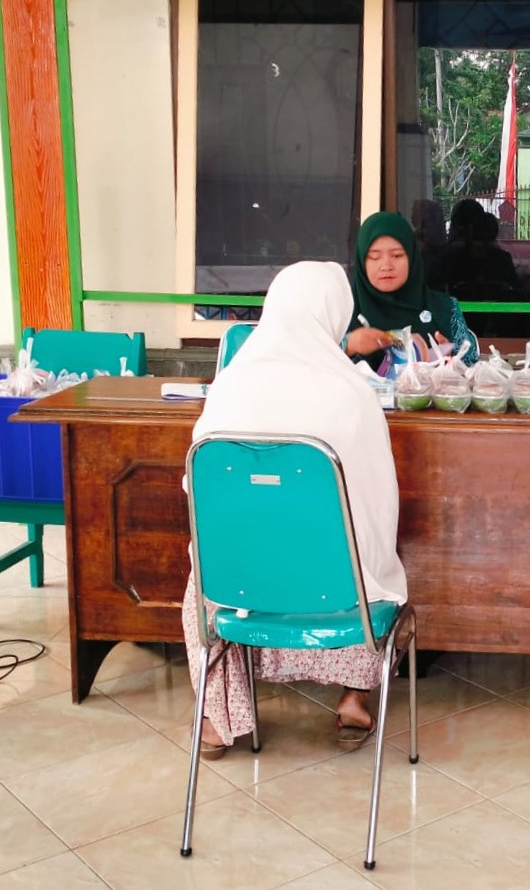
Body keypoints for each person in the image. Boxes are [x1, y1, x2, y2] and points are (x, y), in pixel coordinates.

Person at [184, 260, 408, 755]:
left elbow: (196, 494)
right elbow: (378, 507)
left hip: (240, 587)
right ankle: (353, 699)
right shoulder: (352, 394)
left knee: (203, 576)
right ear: (335, 316)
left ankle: (217, 718)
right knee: (371, 557)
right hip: (335, 589)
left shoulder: (229, 387)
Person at [344, 211, 480, 367]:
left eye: (397, 255)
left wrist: (452, 362)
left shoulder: (445, 309)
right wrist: (348, 345)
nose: (386, 266)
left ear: (412, 257)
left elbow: (474, 366)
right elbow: (319, 361)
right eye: (375, 257)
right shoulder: (343, 312)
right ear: (362, 261)